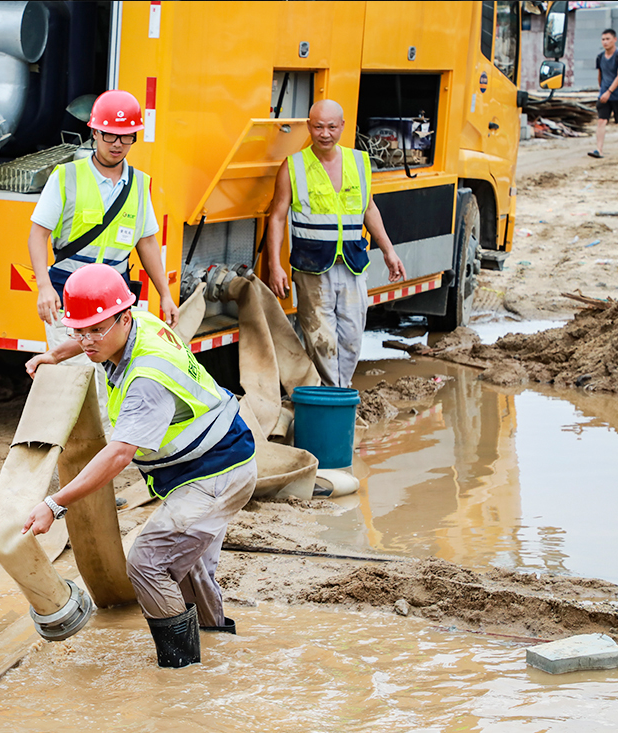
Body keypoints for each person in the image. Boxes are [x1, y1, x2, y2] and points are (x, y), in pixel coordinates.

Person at [21, 263, 256, 669]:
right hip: (206, 462)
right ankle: (216, 653)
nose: (88, 340)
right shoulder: (137, 320)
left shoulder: (146, 378)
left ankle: (180, 672)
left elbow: (117, 456)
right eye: (78, 330)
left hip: (217, 472)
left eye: (97, 329)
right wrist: (55, 354)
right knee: (187, 564)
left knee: (149, 563)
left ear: (122, 318)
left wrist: (55, 504)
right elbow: (91, 336)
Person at [26, 89, 179, 420]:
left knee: (111, 378)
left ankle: (103, 452)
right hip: (70, 290)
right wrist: (43, 287)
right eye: (109, 134)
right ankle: (73, 455)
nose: (117, 143)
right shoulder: (67, 177)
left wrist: (165, 294)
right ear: (94, 132)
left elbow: (148, 242)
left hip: (115, 298)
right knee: (73, 377)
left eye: (126, 136)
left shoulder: (138, 184)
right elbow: (38, 234)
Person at [265, 99, 406, 388]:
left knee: (352, 339)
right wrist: (274, 265)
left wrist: (389, 251)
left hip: (352, 265)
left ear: (342, 126)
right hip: (312, 269)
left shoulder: (358, 162)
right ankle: (335, 398)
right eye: (318, 127)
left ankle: (336, 393)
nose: (325, 133)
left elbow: (369, 210)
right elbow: (277, 217)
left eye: (331, 126)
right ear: (309, 127)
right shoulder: (294, 166)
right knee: (321, 340)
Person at [588, 28, 618, 158]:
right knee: (602, 120)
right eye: (603, 39)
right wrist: (602, 90)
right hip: (604, 96)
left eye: (608, 39)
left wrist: (609, 92)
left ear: (614, 40)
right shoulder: (600, 57)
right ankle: (598, 150)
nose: (605, 42)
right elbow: (600, 74)